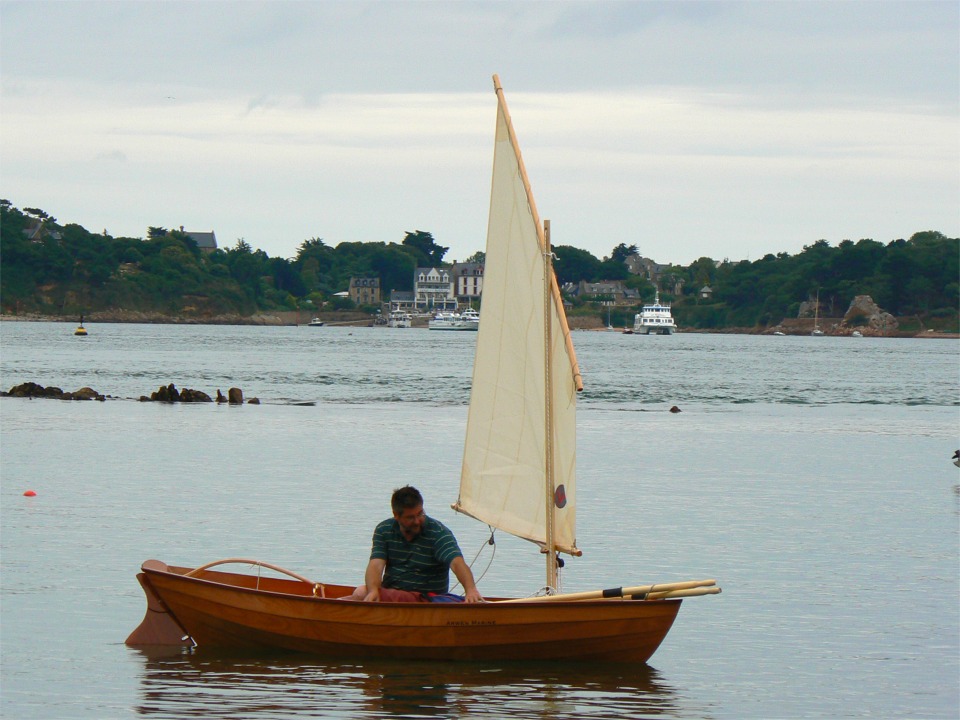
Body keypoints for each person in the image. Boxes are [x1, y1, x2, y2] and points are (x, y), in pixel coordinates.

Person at [347, 485, 483, 603]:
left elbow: (456, 562)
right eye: (411, 517)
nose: (417, 521)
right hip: (393, 594)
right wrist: (372, 590)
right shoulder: (384, 530)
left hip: (426, 598)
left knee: (359, 593)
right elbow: (376, 565)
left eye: (420, 514)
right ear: (396, 515)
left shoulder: (437, 533)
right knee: (363, 594)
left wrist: (470, 589)